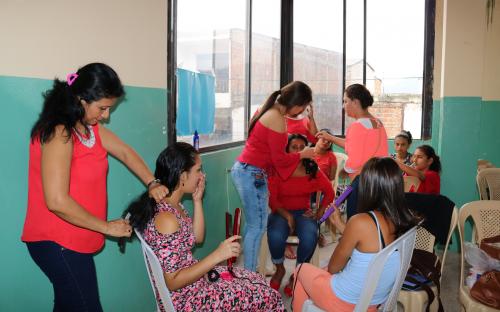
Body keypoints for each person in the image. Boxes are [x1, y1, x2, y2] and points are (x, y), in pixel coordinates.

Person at [21, 63, 168, 311]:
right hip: (56, 241)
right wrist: (106, 227)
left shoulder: (90, 130)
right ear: (81, 99)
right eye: (102, 108)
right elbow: (56, 201)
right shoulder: (59, 133)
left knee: (70, 304)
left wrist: (152, 182)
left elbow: (125, 152)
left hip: (74, 238)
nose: (106, 116)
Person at [125, 142, 284, 311]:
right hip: (189, 301)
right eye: (198, 170)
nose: (202, 175)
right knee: (269, 296)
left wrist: (197, 200)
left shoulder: (172, 206)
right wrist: (217, 255)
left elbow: (197, 238)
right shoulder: (167, 219)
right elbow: (172, 282)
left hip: (195, 286)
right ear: (183, 176)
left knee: (258, 281)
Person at [292, 157, 417, 312]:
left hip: (344, 302)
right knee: (321, 270)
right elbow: (371, 242)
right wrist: (339, 223)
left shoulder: (360, 222)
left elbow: (334, 268)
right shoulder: (405, 218)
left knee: (301, 269)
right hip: (373, 302)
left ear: (368, 187)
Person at [231, 81, 315, 271]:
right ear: (298, 104)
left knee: (252, 225)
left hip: (246, 171)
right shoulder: (276, 117)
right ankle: (250, 279)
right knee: (257, 228)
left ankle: (247, 272)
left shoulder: (267, 109)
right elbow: (280, 160)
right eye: (303, 108)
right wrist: (303, 154)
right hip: (252, 173)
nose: (301, 112)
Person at [267, 134, 334, 296]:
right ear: (287, 149)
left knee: (310, 237)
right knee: (275, 235)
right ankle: (280, 269)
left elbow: (329, 193)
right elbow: (272, 200)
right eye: (293, 147)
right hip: (281, 211)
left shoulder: (312, 169)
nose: (298, 151)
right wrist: (288, 216)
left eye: (302, 148)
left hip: (303, 213)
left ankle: (296, 273)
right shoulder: (277, 168)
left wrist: (319, 212)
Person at [316, 84, 388, 219]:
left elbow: (355, 160)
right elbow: (354, 145)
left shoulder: (357, 126)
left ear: (355, 102)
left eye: (345, 101)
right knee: (373, 221)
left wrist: (345, 169)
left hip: (362, 182)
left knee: (355, 221)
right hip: (379, 180)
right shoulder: (376, 123)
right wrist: (330, 137)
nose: (343, 106)